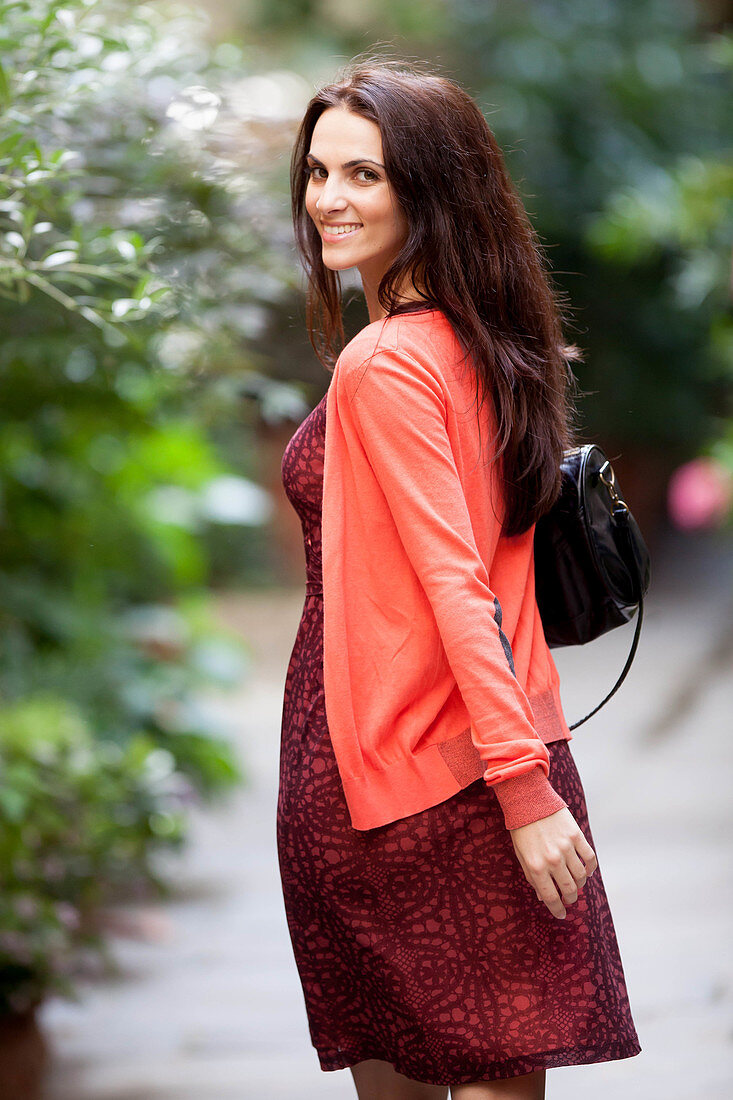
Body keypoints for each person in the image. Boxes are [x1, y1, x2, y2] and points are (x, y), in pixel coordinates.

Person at [277, 56, 641, 1099]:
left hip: (405, 766)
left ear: (429, 188)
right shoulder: (490, 339)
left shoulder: (387, 361)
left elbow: (451, 582)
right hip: (488, 742)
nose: (328, 201)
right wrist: (524, 774)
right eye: (317, 172)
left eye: (365, 176)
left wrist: (519, 791)